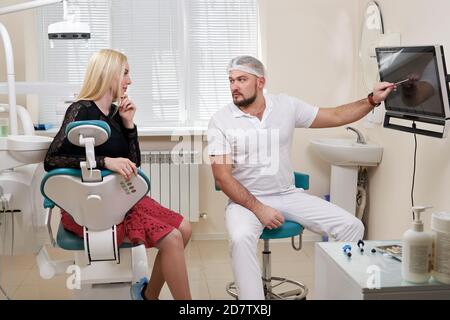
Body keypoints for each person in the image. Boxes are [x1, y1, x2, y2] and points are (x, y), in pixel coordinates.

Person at [207, 55, 395, 300]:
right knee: (241, 239)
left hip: (287, 194)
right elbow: (223, 177)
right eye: (231, 80)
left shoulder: (285, 106)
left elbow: (336, 116)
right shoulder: (220, 120)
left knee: (352, 226)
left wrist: (372, 100)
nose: (234, 86)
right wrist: (260, 209)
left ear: (260, 82)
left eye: (242, 79)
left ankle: (338, 295)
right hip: (246, 202)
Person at [44, 49, 192, 300]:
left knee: (185, 229)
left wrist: (128, 124)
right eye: (125, 73)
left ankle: (148, 295)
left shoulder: (115, 113)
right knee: (173, 238)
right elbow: (52, 160)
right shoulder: (81, 109)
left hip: (122, 200)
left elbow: (134, 164)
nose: (129, 80)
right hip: (91, 207)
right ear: (108, 73)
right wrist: (105, 161)